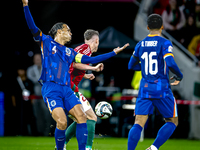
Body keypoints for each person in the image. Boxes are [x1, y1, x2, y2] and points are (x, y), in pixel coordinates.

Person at [22, 0, 129, 149]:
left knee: (82, 117)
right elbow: (32, 27)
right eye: (68, 30)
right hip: (51, 88)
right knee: (62, 122)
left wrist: (113, 53)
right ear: (59, 31)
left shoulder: (69, 52)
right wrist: (26, 5)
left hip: (67, 89)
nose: (71, 33)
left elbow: (91, 60)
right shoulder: (46, 42)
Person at [127, 14, 183, 150]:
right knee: (172, 121)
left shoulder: (140, 44)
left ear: (147, 27)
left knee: (138, 123)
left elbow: (131, 66)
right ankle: (153, 148)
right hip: (161, 87)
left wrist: (145, 66)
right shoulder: (165, 43)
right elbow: (169, 62)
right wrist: (179, 76)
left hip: (144, 88)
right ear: (162, 27)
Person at [64, 29, 99, 150]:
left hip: (67, 86)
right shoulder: (86, 49)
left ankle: (61, 144)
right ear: (96, 41)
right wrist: (93, 68)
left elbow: (70, 66)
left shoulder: (80, 48)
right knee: (92, 117)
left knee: (81, 118)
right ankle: (88, 148)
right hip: (70, 88)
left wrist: (85, 75)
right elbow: (75, 64)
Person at [27, 53, 53, 136]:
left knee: (47, 114)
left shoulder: (46, 68)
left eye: (39, 58)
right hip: (35, 96)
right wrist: (41, 80)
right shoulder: (30, 69)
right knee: (37, 115)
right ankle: (39, 132)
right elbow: (33, 80)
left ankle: (47, 132)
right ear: (34, 60)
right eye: (36, 59)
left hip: (45, 96)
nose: (38, 60)